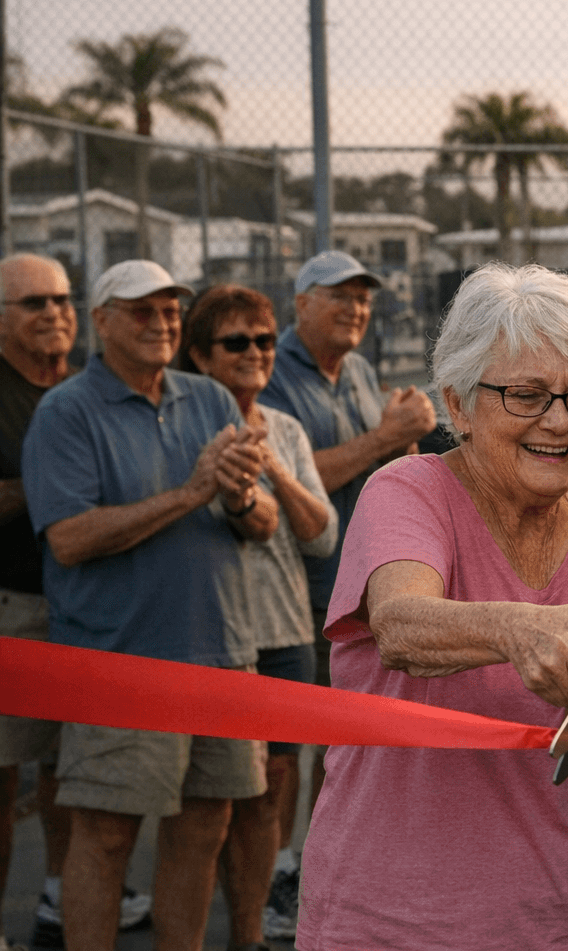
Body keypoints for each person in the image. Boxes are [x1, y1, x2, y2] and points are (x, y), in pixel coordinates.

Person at [298, 263, 568, 951]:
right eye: (526, 395)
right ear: (458, 405)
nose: (559, 422)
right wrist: (524, 628)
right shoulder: (406, 492)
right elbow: (401, 626)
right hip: (403, 928)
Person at [21, 259, 276, 951]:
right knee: (103, 836)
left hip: (222, 655)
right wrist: (194, 492)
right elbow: (70, 539)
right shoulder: (66, 412)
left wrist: (240, 496)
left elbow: (263, 522)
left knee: (204, 829)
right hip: (121, 663)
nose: (161, 322)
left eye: (170, 310)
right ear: (100, 322)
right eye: (141, 310)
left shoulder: (212, 399)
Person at [256, 249, 435, 938]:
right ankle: (279, 872)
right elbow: (288, 481)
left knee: (346, 744)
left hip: (357, 597)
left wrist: (405, 442)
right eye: (338, 297)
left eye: (362, 298)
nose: (355, 309)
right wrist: (383, 438)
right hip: (290, 593)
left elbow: (385, 464)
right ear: (300, 304)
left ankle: (322, 864)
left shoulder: (359, 371)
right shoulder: (271, 375)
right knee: (283, 752)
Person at [178, 285, 338, 951]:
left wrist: (271, 460)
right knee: (210, 808)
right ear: (200, 355)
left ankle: (251, 925)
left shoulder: (288, 431)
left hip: (283, 630)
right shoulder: (184, 427)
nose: (255, 354)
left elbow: (321, 536)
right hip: (212, 637)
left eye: (265, 341)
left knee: (274, 784)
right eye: (236, 342)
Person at [0, 254, 151, 951]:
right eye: (34, 303)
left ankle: (62, 896)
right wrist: (58, 489)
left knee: (70, 770)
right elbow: (61, 503)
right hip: (14, 607)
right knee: (5, 779)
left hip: (85, 613)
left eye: (62, 299)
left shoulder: (84, 389)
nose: (54, 313)